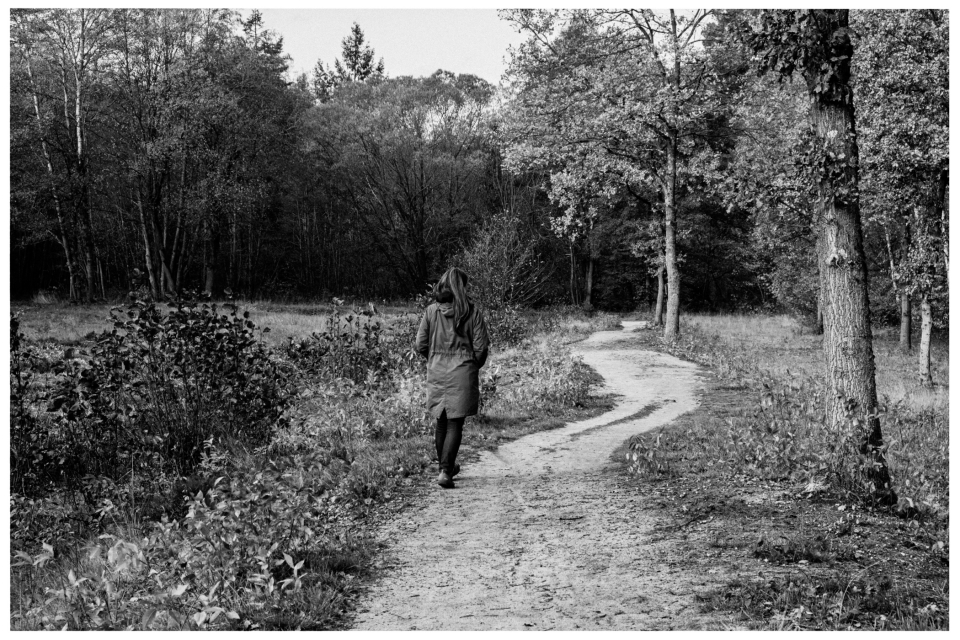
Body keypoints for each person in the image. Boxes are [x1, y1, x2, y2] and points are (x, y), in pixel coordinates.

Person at [416, 267, 490, 489]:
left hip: (437, 371)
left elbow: (420, 344)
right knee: (455, 422)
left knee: (441, 421)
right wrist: (472, 364)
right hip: (463, 371)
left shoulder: (431, 311)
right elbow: (481, 347)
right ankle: (446, 471)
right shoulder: (472, 312)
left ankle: (445, 468)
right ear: (462, 286)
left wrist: (433, 359)